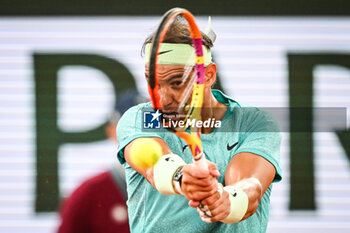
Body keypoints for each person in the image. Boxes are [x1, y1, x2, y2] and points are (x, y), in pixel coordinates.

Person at [116, 20, 282, 233]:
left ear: (209, 75)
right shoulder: (141, 118)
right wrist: (181, 177)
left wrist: (226, 201)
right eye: (152, 83)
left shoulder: (255, 123)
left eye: (177, 83)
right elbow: (156, 166)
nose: (162, 99)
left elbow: (251, 186)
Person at [57, 90, 146, 233]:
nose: (142, 135)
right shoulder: (88, 195)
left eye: (149, 125)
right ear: (111, 131)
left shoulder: (181, 187)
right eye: (130, 127)